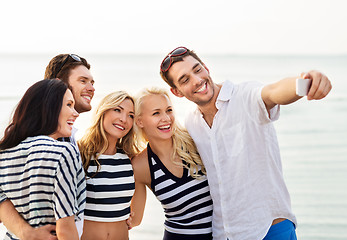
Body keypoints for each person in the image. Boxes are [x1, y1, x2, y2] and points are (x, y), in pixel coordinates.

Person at [159, 47, 332, 240]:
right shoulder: (191, 122)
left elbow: (273, 92)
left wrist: (306, 82)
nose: (197, 80)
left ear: (206, 68)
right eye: (185, 79)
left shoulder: (245, 96)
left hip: (269, 230)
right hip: (223, 234)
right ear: (177, 92)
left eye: (198, 70)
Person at [0, 53, 95, 239]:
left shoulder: (72, 138)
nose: (91, 88)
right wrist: (28, 233)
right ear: (60, 84)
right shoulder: (58, 148)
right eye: (83, 81)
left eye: (92, 82)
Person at [130, 87, 213, 240]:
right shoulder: (141, 166)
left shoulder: (194, 141)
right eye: (156, 113)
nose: (166, 118)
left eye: (168, 110)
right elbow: (134, 220)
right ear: (139, 121)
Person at [77, 91, 139, 240]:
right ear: (103, 111)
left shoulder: (130, 158)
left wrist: (134, 218)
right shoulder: (79, 153)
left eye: (131, 115)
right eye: (117, 110)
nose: (124, 119)